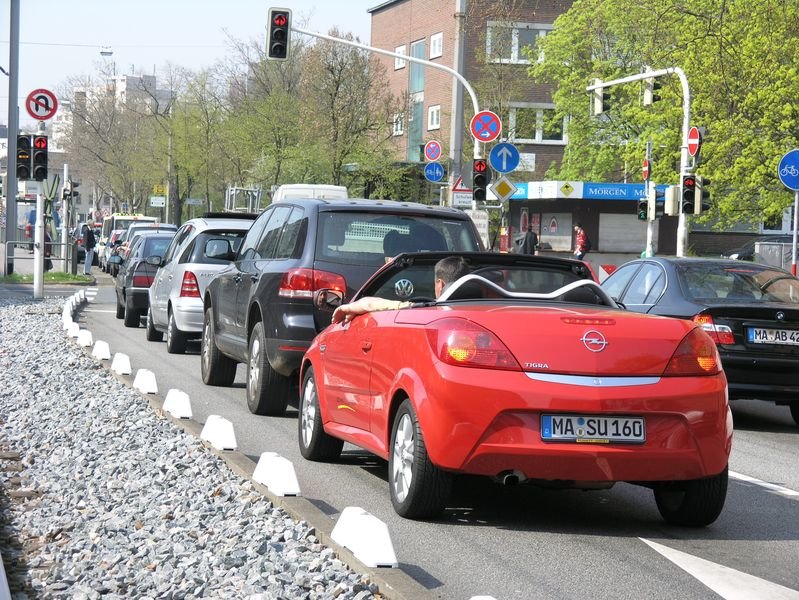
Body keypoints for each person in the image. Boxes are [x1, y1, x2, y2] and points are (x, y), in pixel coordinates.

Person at [332, 256, 471, 324]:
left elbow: (371, 303)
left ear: (440, 284)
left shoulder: (426, 310)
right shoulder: (488, 307)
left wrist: (348, 308)